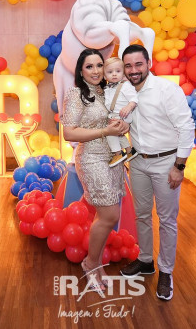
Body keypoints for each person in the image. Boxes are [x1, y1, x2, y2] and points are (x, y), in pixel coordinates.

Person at [119, 44, 195, 301]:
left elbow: (186, 128)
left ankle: (166, 271)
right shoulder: (125, 91)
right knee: (141, 215)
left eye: (138, 64)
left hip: (167, 163)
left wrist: (179, 167)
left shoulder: (166, 90)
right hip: (138, 162)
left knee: (167, 220)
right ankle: (145, 260)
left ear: (148, 64)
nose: (133, 70)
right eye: (128, 66)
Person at [60, 48, 130, 294]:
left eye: (99, 65)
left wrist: (122, 125)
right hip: (91, 158)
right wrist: (105, 131)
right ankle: (90, 263)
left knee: (105, 215)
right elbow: (69, 132)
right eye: (89, 66)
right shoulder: (77, 94)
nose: (96, 70)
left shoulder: (108, 91)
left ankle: (97, 264)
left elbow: (119, 117)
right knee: (110, 215)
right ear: (81, 71)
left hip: (113, 158)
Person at [103, 57, 139, 167]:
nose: (114, 74)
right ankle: (129, 151)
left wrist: (129, 107)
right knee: (118, 134)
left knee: (110, 133)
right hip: (115, 114)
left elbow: (134, 98)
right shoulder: (107, 88)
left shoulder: (125, 85)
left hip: (123, 114)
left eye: (118, 71)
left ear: (123, 73)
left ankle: (118, 154)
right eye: (110, 72)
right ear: (104, 75)